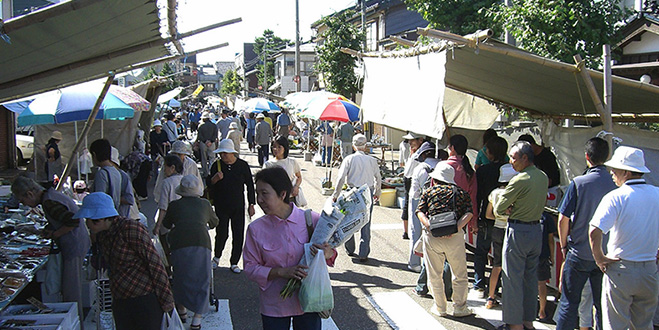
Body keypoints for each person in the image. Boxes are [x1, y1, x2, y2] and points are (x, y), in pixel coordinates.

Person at [243, 167, 337, 330]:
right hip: (274, 306)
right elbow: (250, 268)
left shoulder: (310, 220)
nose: (259, 199)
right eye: (257, 193)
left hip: (308, 301)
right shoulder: (255, 229)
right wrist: (280, 272)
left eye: (264, 193)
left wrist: (328, 252)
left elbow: (330, 253)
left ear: (283, 194)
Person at [77, 192, 174, 330]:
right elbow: (100, 265)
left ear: (103, 218)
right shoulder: (102, 236)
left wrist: (167, 302)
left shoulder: (130, 229)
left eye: (91, 220)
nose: (88, 224)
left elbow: (155, 264)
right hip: (120, 300)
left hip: (143, 299)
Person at [589, 146, 659, 330]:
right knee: (644, 325)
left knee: (615, 325)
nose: (612, 173)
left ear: (626, 172)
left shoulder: (616, 197)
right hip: (649, 269)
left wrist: (600, 258)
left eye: (616, 169)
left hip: (621, 268)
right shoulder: (657, 194)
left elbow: (594, 230)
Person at [11, 176, 91, 326]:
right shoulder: (50, 195)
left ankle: (75, 323)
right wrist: (48, 230)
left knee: (71, 291)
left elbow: (72, 221)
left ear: (29, 194)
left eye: (23, 201)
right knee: (71, 288)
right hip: (76, 243)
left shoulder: (49, 201)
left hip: (73, 245)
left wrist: (56, 234)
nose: (26, 205)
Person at [555, 137, 616, 330]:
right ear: (607, 157)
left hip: (579, 251)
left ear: (586, 157)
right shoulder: (616, 184)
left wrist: (564, 245)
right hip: (606, 255)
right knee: (603, 306)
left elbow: (563, 219)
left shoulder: (578, 183)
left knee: (569, 303)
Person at [494, 141, 548, 330]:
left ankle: (514, 325)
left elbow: (499, 207)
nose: (511, 161)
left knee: (512, 280)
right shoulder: (542, 177)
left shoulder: (519, 179)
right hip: (536, 231)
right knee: (530, 279)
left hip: (518, 231)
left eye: (513, 158)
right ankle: (528, 321)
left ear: (525, 158)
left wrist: (511, 207)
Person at [416, 162, 474, 318]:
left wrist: (430, 226)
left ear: (435, 179)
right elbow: (469, 213)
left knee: (435, 273)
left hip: (432, 237)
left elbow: (420, 211)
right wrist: (455, 227)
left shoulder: (428, 192)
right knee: (459, 274)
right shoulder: (461, 193)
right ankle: (460, 308)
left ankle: (440, 307)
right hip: (454, 238)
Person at [163, 175, 219, 329]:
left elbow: (166, 224)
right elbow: (215, 222)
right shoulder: (204, 204)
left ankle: (181, 310)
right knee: (202, 278)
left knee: (180, 275)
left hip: (179, 242)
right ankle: (197, 318)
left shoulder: (174, 205)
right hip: (201, 241)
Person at [208, 139, 256, 273]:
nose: (223, 156)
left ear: (232, 153)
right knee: (221, 233)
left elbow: (250, 186)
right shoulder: (216, 165)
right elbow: (208, 184)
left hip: (238, 205)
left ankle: (234, 261)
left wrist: (251, 203)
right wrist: (214, 179)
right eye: (221, 153)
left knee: (238, 233)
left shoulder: (242, 165)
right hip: (220, 205)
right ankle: (217, 257)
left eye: (225, 153)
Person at [331, 134, 381, 262]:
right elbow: (378, 178)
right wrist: (377, 192)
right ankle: (363, 252)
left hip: (352, 192)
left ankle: (350, 248)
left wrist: (336, 194)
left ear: (353, 146)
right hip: (367, 192)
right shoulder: (372, 160)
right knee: (366, 221)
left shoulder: (349, 159)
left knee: (350, 220)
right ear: (365, 146)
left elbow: (341, 178)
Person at [473, 136, 508, 294]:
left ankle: (479, 283)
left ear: (491, 153)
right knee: (500, 255)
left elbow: (477, 195)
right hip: (505, 218)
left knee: (481, 251)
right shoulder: (510, 171)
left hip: (486, 215)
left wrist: (475, 216)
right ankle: (497, 285)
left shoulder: (483, 171)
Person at [484, 164, 518, 309]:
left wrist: (499, 218)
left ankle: (490, 297)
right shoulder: (514, 193)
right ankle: (511, 299)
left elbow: (488, 214)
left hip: (497, 229)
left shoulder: (494, 193)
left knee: (496, 265)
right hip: (511, 229)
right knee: (511, 266)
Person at [407, 141, 439, 272]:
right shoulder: (441, 165)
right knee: (432, 233)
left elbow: (414, 192)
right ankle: (430, 264)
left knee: (416, 231)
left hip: (419, 201)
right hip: (436, 201)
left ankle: (414, 263)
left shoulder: (419, 168)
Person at [152, 155, 184, 270]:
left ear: (172, 168)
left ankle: (169, 273)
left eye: (165, 167)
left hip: (169, 223)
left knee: (167, 250)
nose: (164, 170)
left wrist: (157, 225)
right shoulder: (185, 179)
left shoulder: (167, 182)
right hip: (182, 222)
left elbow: (163, 207)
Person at [446, 135, 478, 235]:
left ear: (452, 148)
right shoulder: (469, 170)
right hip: (462, 216)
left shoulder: (443, 167)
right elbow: (473, 197)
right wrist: (474, 220)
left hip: (443, 214)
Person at [153, 141, 202, 206]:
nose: (177, 157)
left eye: (180, 154)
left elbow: (198, 184)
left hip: (189, 200)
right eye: (175, 154)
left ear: (184, 155)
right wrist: (159, 199)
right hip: (171, 200)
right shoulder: (167, 165)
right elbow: (160, 182)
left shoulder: (191, 165)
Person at [264, 135, 306, 207]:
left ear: (285, 148)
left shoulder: (292, 162)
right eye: (274, 146)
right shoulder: (268, 164)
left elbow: (299, 177)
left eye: (279, 147)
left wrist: (296, 187)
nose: (276, 149)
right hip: (275, 199)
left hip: (290, 198)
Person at [401, 132, 425, 240]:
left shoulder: (419, 155)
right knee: (408, 206)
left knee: (414, 207)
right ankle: (406, 232)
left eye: (412, 140)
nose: (410, 142)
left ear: (420, 140)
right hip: (409, 180)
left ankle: (412, 232)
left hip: (414, 182)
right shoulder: (414, 153)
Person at [89, 139, 122, 211]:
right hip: (114, 211)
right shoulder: (116, 172)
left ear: (94, 155)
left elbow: (99, 199)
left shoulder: (101, 173)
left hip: (104, 214)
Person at [537, 212, 557, 321]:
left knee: (526, 282)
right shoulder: (547, 217)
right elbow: (551, 240)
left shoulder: (527, 211)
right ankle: (542, 311)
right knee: (542, 284)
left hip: (528, 253)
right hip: (543, 254)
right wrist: (552, 256)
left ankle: (526, 309)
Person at [109, 147, 135, 219]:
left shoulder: (122, 176)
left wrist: (113, 198)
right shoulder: (106, 174)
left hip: (121, 217)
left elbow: (129, 199)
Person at [196, 111, 218, 178]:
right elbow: (215, 135)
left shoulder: (201, 126)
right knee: (212, 158)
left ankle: (205, 173)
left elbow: (199, 136)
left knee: (204, 159)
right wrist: (211, 141)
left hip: (203, 143)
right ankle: (211, 172)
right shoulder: (214, 125)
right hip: (212, 143)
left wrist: (205, 141)